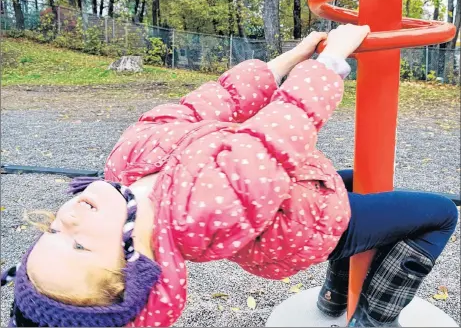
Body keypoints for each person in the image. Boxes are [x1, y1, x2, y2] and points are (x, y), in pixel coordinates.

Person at [1, 24, 457, 328]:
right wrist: (329, 60)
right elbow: (279, 134)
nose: (69, 219)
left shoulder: (128, 162)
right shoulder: (199, 210)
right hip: (311, 228)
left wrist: (290, 58)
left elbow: (211, 102)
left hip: (293, 194)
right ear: (136, 263)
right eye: (79, 246)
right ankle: (374, 318)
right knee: (437, 214)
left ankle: (336, 298)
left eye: (53, 231)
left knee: (370, 178)